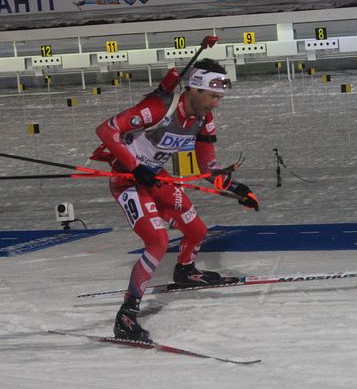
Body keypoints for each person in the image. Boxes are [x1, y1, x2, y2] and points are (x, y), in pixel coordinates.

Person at [90, 58, 259, 342]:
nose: (216, 103)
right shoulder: (160, 108)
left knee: (197, 231)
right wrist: (134, 166)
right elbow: (106, 130)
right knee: (156, 241)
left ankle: (185, 270)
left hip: (157, 178)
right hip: (127, 180)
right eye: (213, 96)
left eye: (220, 97)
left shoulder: (204, 120)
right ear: (195, 88)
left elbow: (208, 169)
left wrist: (238, 189)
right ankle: (127, 314)